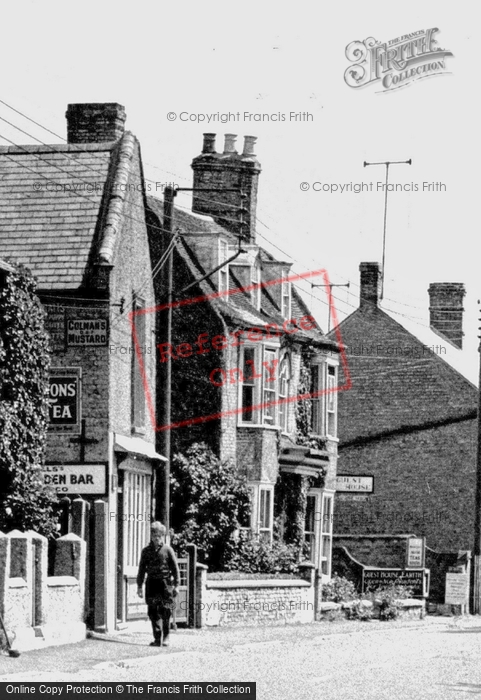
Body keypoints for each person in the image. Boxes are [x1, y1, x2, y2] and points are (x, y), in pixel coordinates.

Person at [137, 521, 180, 647]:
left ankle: (166, 636)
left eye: (160, 536)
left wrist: (176, 585)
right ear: (151, 536)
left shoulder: (168, 550)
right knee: (153, 611)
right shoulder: (146, 551)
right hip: (151, 583)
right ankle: (157, 638)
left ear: (163, 536)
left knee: (165, 610)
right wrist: (139, 586)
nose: (157, 538)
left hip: (165, 584)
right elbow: (141, 569)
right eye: (155, 535)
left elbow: (175, 569)